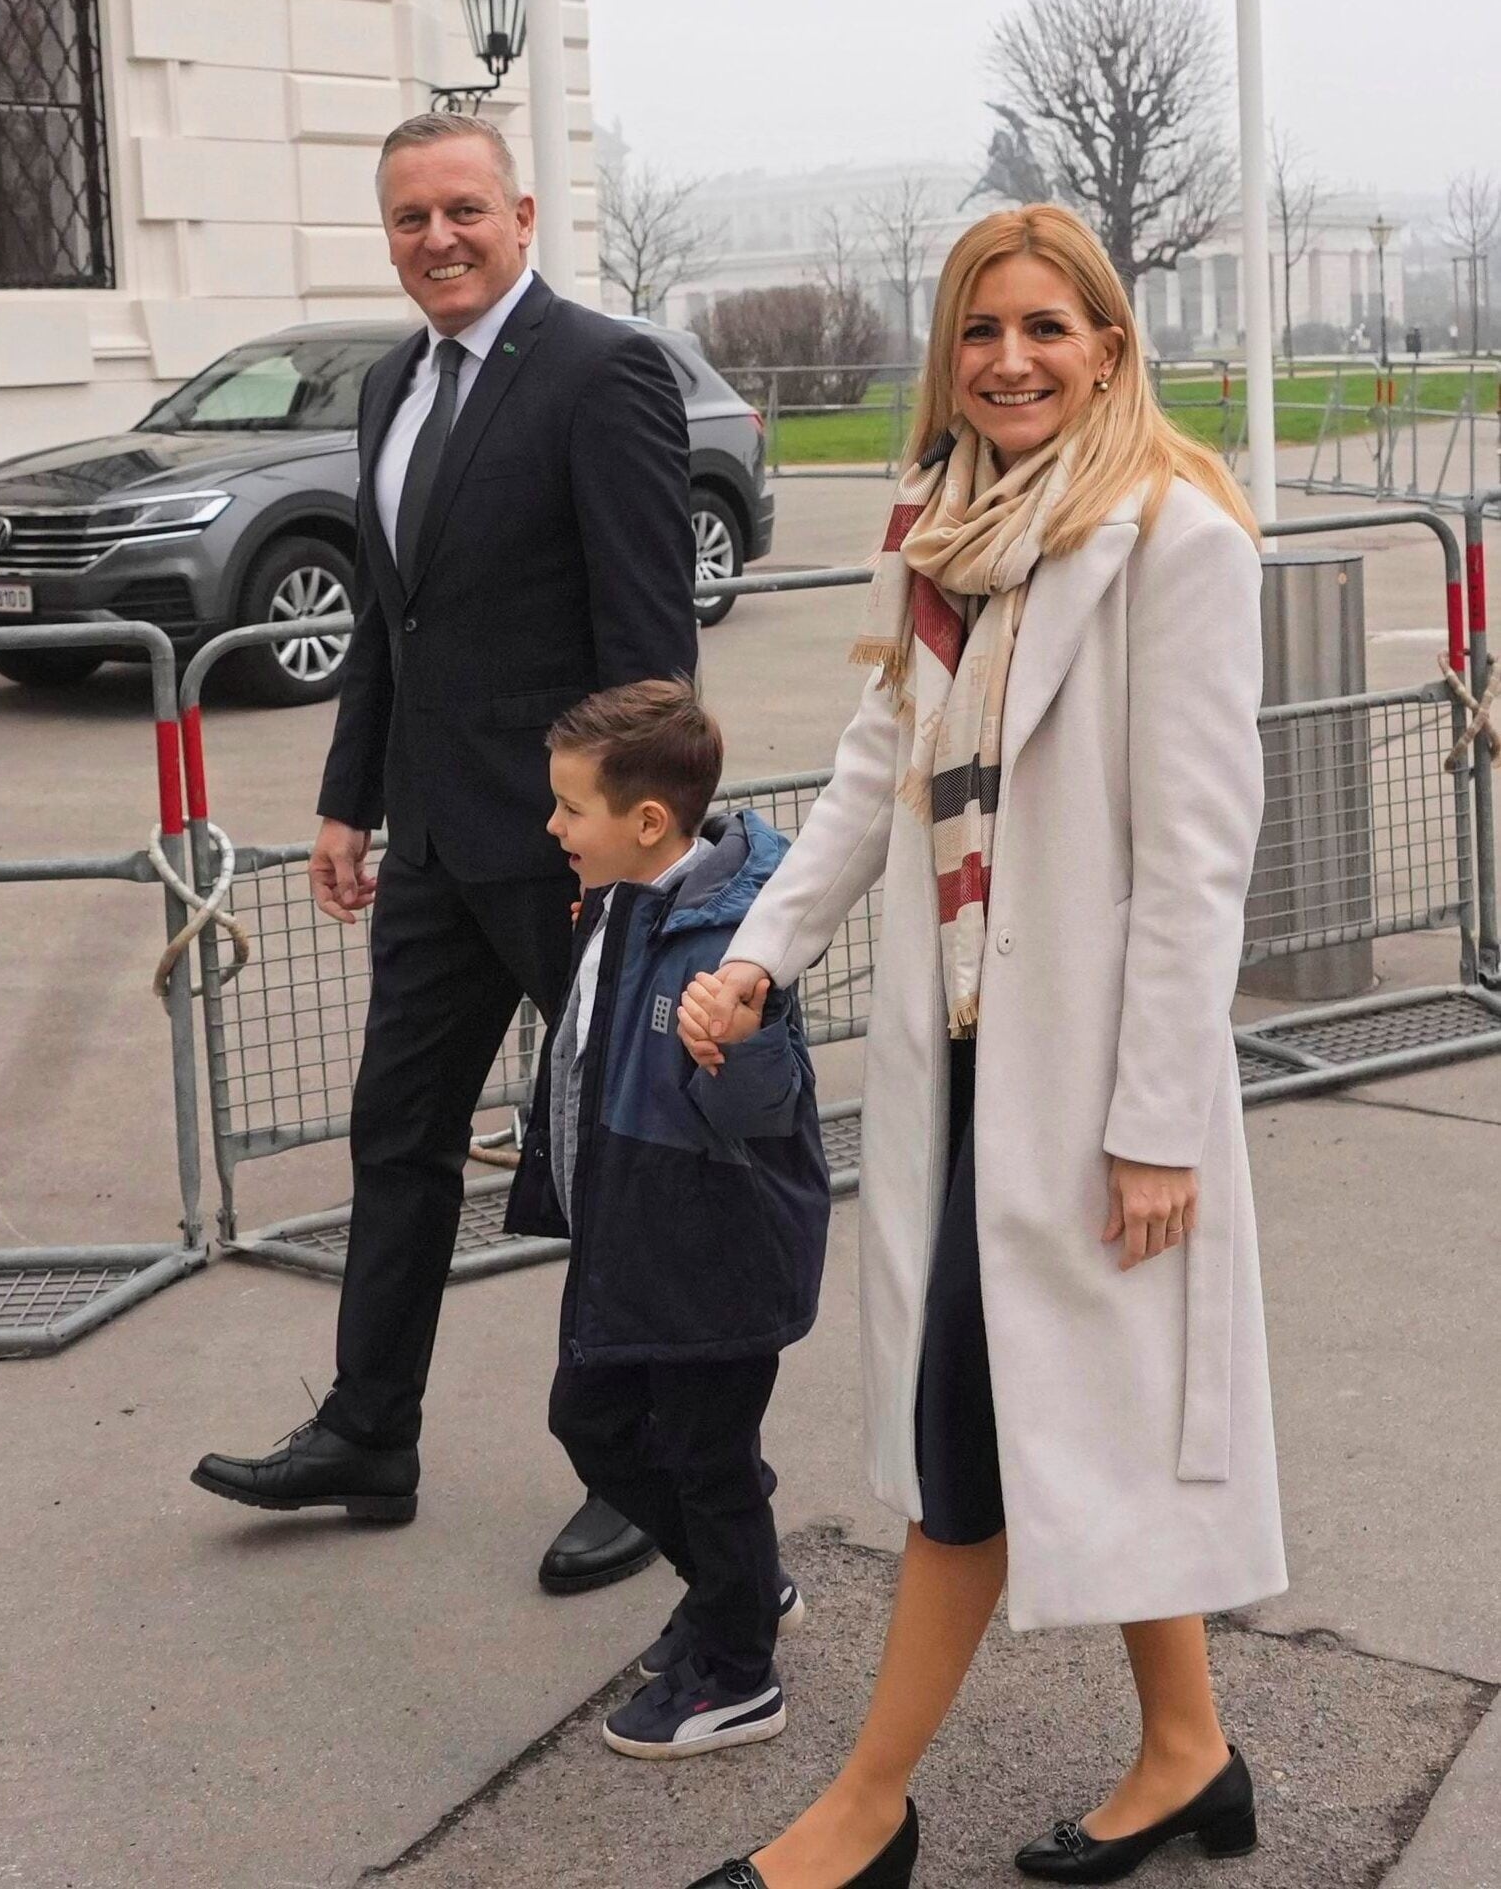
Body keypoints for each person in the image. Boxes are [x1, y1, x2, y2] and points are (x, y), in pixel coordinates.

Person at [677, 204, 1287, 1889]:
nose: (1007, 360)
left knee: (972, 1430)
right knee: (1044, 1406)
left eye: (1043, 328)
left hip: (1092, 1083)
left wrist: (1155, 1117)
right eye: (977, 331)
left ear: (1105, 344)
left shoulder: (1174, 535)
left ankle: (859, 1809)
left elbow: (1193, 858)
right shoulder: (935, 536)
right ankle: (1186, 1754)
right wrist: (752, 956)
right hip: (963, 1072)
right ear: (945, 358)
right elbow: (872, 780)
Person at [191, 113, 697, 1597]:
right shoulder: (394, 385)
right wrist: (350, 800)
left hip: (570, 852)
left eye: (462, 210)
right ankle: (367, 1428)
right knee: (398, 1138)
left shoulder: (605, 375)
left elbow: (650, 651)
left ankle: (644, 1463)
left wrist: (631, 847)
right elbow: (388, 628)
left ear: (521, 214)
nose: (438, 240)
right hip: (431, 848)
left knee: (613, 1149)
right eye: (410, 218)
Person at [504, 679, 831, 1757]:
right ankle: (739, 1580)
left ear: (647, 821)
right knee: (591, 1422)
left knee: (707, 1457)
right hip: (628, 1232)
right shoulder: (619, 898)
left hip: (712, 1250)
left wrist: (731, 1042)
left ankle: (738, 1670)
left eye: (569, 807)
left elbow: (765, 1109)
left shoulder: (732, 941)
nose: (552, 826)